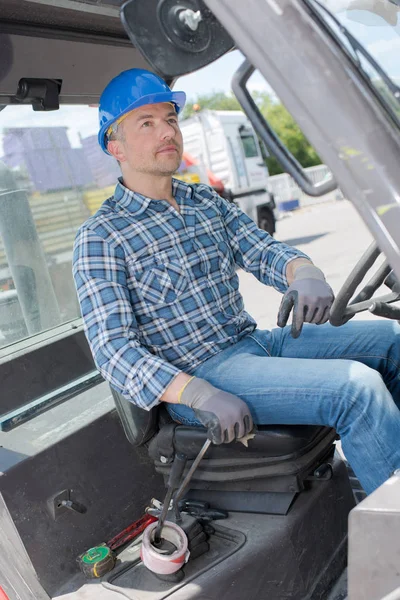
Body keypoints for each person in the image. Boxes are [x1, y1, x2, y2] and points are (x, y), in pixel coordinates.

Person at [73, 68, 400, 495]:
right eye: (147, 123)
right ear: (114, 146)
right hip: (203, 375)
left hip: (259, 342)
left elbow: (263, 251)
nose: (166, 131)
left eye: (170, 119)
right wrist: (197, 393)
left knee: (393, 341)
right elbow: (114, 351)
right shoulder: (102, 237)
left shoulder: (203, 202)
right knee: (356, 390)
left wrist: (304, 273)